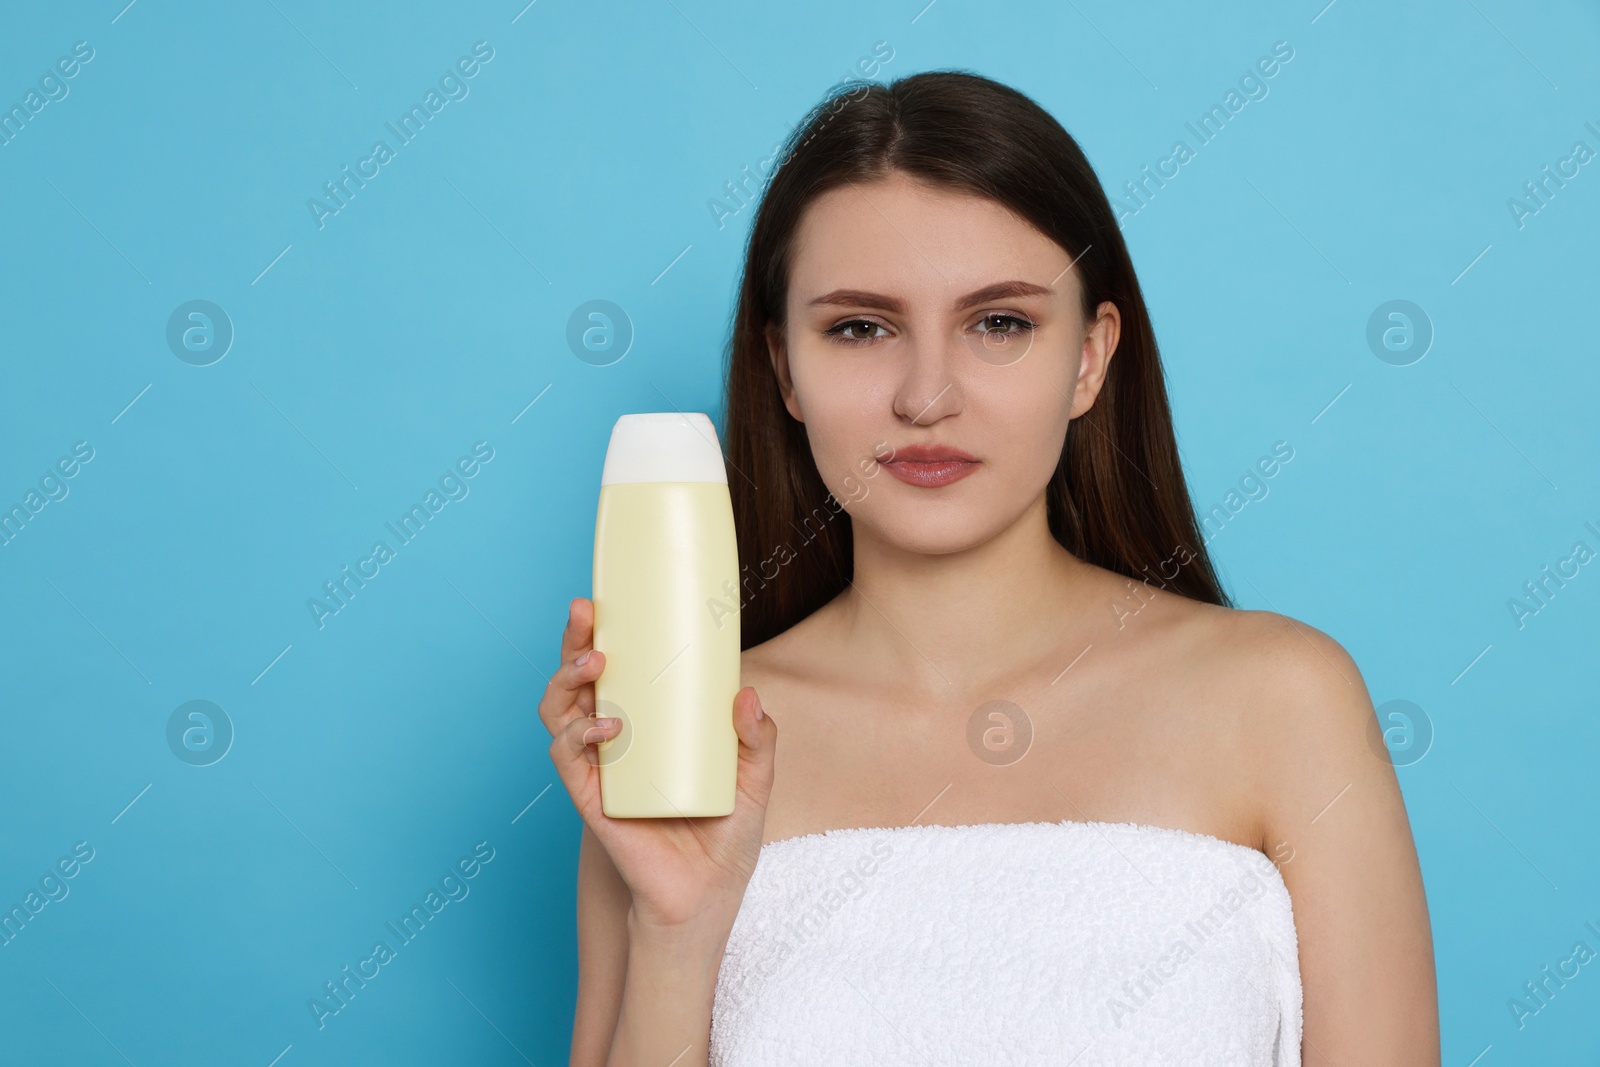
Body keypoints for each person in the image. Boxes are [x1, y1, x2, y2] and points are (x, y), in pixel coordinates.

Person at [543, 69, 1439, 1066]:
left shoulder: (1283, 700)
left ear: (1091, 357)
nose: (927, 395)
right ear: (784, 367)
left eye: (1000, 322)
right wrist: (676, 931)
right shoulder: (678, 737)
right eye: (859, 327)